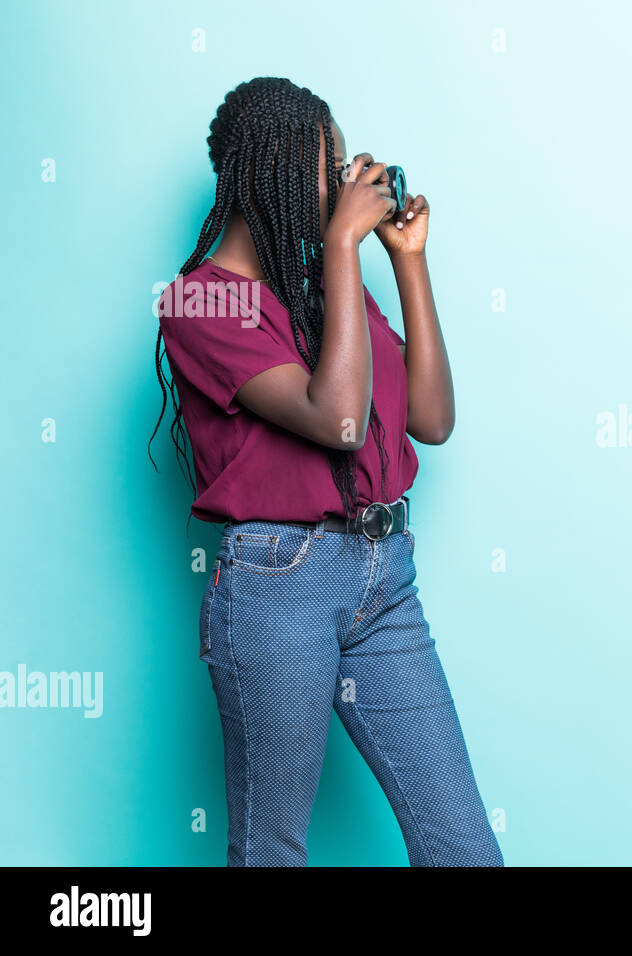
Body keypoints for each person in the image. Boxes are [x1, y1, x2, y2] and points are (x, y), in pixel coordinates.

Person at [149, 76, 502, 866]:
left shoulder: (325, 295)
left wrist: (407, 264)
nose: (343, 184)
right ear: (270, 166)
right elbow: (339, 421)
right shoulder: (200, 305)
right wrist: (342, 245)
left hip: (384, 580)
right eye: (327, 164)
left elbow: (432, 421)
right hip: (280, 585)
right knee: (273, 849)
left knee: (464, 850)